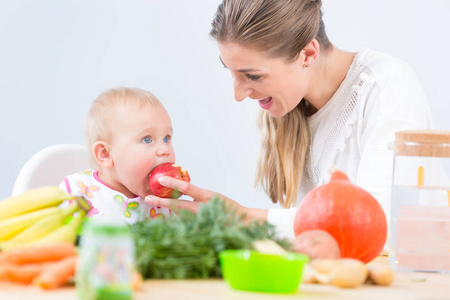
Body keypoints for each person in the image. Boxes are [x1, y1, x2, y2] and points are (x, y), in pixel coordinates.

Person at [145, 0, 433, 239]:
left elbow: (379, 222)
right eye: (230, 72)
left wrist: (243, 218)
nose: (239, 94)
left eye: (253, 76)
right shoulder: (292, 107)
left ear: (307, 54)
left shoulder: (386, 86)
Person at [60, 87, 174, 224]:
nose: (164, 150)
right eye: (147, 139)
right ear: (105, 154)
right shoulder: (76, 193)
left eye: (166, 138)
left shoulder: (166, 204)